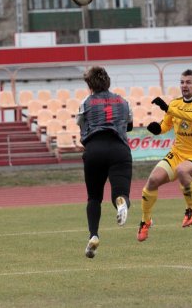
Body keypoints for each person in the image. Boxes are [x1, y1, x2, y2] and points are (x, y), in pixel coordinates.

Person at [138, 69, 192, 242]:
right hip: (177, 153)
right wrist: (157, 128)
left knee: (182, 171)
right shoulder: (175, 104)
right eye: (182, 82)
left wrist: (168, 108)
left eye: (188, 82)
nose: (184, 85)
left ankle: (191, 209)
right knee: (152, 180)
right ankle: (145, 221)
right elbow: (166, 124)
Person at [77, 66, 133, 258]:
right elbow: (130, 125)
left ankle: (93, 235)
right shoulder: (123, 101)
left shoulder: (86, 102)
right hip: (119, 149)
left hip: (94, 150)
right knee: (120, 193)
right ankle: (120, 203)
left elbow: (82, 126)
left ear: (90, 85)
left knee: (94, 198)